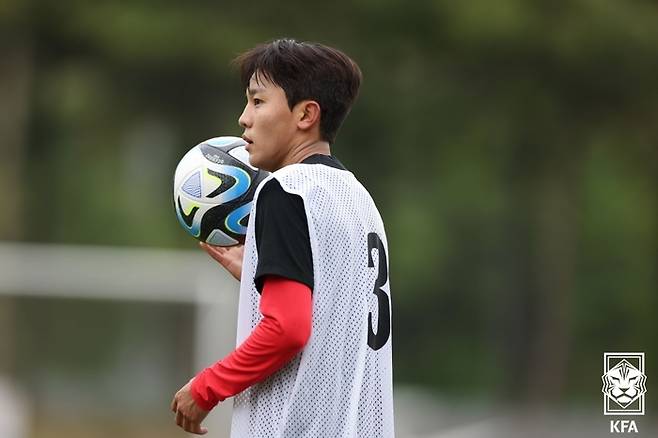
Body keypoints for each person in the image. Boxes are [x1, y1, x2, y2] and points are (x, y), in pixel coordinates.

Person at [171, 38, 394, 438]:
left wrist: (206, 388)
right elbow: (335, 310)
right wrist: (260, 274)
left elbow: (288, 328)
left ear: (306, 114)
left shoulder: (284, 190)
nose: (243, 119)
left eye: (257, 101)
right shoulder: (358, 198)